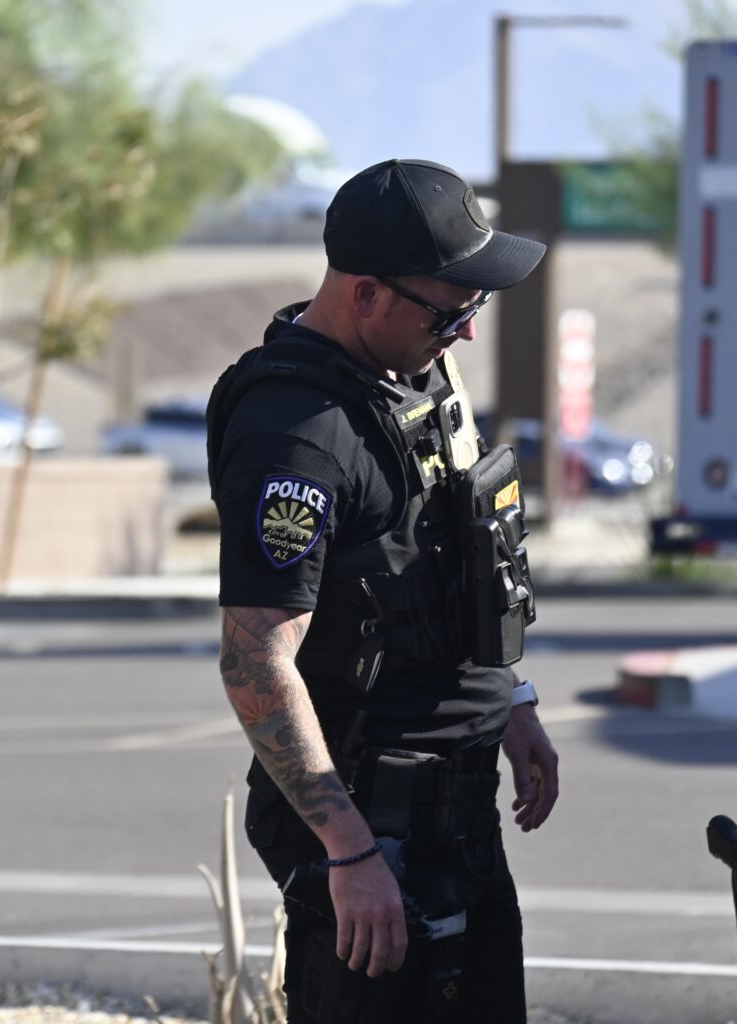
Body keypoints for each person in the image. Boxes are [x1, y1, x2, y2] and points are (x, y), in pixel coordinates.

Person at [207, 158, 559, 1024]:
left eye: (475, 307)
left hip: (457, 808)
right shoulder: (295, 435)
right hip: (372, 828)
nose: (465, 334)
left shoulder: (410, 370)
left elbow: (449, 555)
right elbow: (254, 659)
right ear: (365, 295)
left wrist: (509, 696)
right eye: (448, 312)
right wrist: (349, 853)